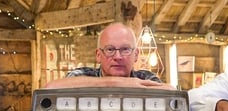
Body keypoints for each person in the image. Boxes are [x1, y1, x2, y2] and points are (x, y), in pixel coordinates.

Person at [45, 22, 174, 89]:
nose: (118, 56)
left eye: (125, 49)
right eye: (110, 49)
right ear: (98, 55)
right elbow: (50, 88)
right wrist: (114, 83)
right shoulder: (80, 75)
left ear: (136, 55)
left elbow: (170, 92)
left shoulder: (146, 77)